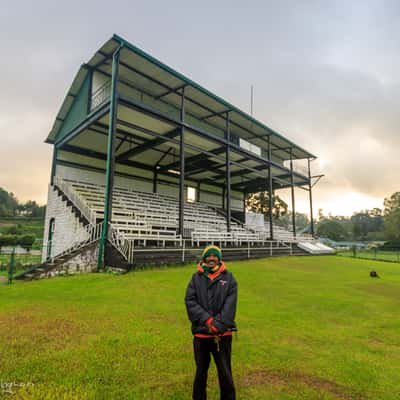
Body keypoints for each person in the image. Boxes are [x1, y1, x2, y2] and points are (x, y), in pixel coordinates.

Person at [185, 245, 238, 400]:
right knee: (200, 372)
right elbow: (190, 301)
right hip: (201, 335)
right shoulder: (196, 278)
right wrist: (207, 320)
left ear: (219, 259)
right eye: (208, 256)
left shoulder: (230, 279)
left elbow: (230, 306)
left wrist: (218, 325)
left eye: (215, 256)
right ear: (204, 259)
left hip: (223, 335)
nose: (211, 259)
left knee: (225, 373)